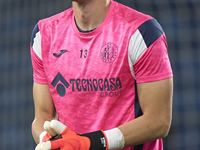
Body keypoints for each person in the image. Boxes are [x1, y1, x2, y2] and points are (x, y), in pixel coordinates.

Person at [30, 0, 173, 149]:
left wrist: (91, 143)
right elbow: (42, 118)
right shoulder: (43, 34)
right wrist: (47, 140)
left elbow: (159, 121)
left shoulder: (142, 31)